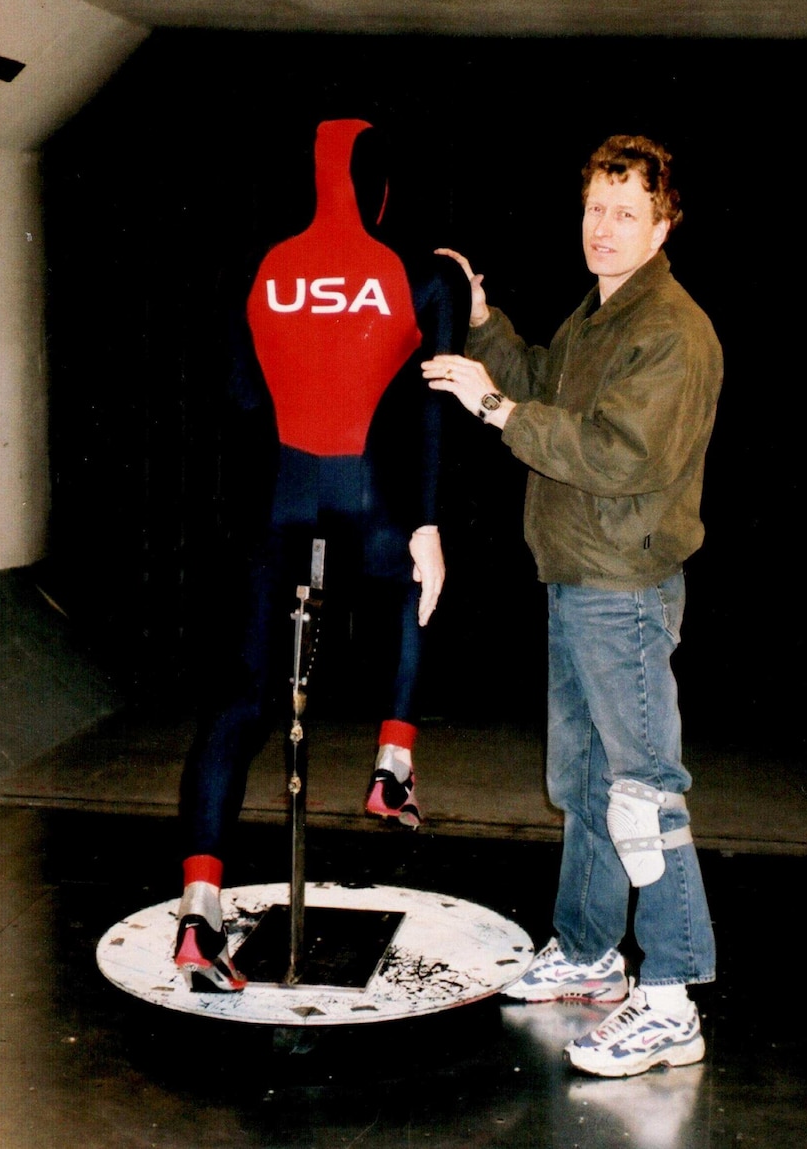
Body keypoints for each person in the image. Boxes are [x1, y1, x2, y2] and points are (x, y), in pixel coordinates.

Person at [423, 135, 721, 1077]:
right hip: (576, 576)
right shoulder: (602, 314)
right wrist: (482, 321)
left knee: (642, 797)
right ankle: (590, 954)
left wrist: (495, 411)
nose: (605, 227)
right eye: (596, 207)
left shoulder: (671, 330)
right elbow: (547, 379)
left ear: (664, 222)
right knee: (587, 786)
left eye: (626, 211)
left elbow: (616, 454)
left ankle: (669, 996)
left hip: (623, 591)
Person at [173, 119, 469, 991]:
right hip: (373, 493)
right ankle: (393, 761)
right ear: (382, 186)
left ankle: (199, 909)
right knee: (417, 583)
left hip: (279, 498)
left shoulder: (256, 265)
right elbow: (436, 405)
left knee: (239, 699)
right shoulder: (430, 272)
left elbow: (236, 391)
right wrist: (427, 520)